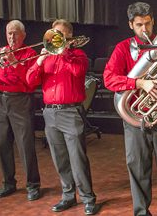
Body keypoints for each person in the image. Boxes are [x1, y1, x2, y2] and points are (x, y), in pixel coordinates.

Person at [103, 2, 157, 216]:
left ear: (154, 22)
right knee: (138, 170)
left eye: (148, 24)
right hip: (135, 120)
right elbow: (109, 79)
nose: (145, 29)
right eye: (139, 24)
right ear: (131, 24)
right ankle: (141, 213)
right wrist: (140, 83)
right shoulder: (123, 48)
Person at [26, 19, 99, 215]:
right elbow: (30, 81)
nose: (55, 37)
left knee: (78, 159)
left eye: (60, 34)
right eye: (53, 33)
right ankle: (68, 196)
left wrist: (64, 52)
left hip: (71, 112)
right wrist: (39, 61)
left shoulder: (79, 56)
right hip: (50, 112)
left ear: (69, 38)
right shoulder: (46, 58)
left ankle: (88, 198)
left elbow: (78, 72)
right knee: (60, 159)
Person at [0, 20, 41, 201]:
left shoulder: (30, 53)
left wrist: (14, 63)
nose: (12, 37)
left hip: (21, 100)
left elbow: (31, 81)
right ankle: (8, 183)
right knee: (2, 143)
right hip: (1, 99)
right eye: (9, 33)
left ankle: (33, 184)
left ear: (23, 35)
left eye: (15, 33)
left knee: (25, 144)